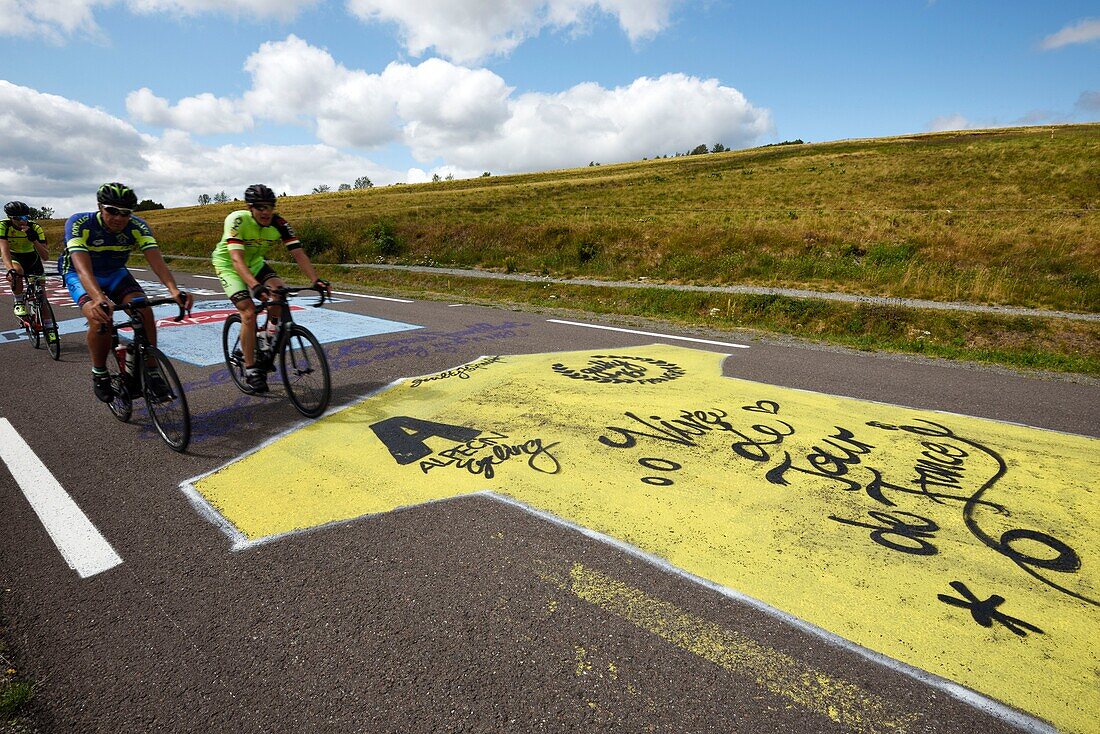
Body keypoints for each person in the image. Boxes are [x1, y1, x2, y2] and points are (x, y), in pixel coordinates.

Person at [61, 183, 193, 402]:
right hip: (79, 272)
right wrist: (99, 298)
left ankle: (152, 371)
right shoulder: (80, 223)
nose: (119, 218)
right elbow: (83, 269)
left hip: (114, 272)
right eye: (112, 211)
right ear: (99, 207)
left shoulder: (138, 227)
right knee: (99, 317)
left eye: (125, 213)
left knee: (143, 309)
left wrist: (174, 289)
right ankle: (100, 372)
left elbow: (156, 262)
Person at [211, 184, 331, 393]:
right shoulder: (237, 220)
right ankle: (251, 370)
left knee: (279, 291)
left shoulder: (279, 223)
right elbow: (237, 260)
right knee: (248, 311)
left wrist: (315, 280)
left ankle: (267, 336)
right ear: (251, 208)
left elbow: (298, 253)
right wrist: (255, 286)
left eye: (270, 207)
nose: (266, 212)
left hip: (255, 262)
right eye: (260, 207)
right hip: (229, 265)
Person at [1, 201, 50, 320]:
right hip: (15, 257)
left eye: (25, 217)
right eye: (17, 218)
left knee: (42, 298)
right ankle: (19, 301)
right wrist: (10, 270)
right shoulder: (4, 226)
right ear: (10, 218)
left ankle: (50, 328)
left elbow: (45, 256)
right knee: (17, 271)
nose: (22, 220)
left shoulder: (35, 227)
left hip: (32, 258)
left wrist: (34, 240)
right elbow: (4, 250)